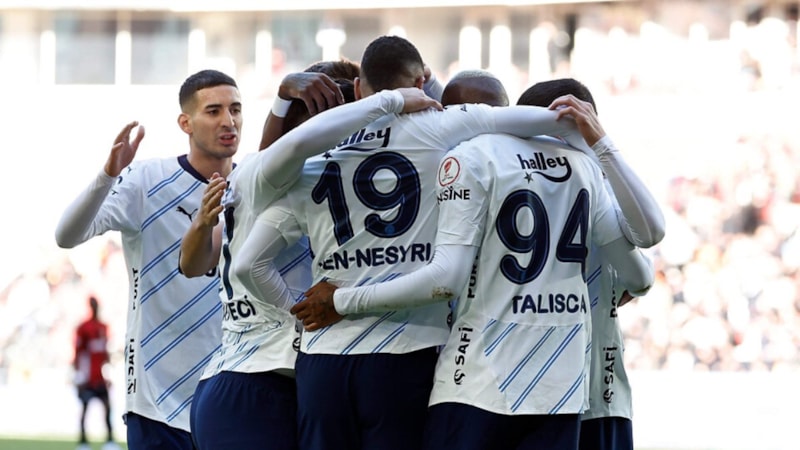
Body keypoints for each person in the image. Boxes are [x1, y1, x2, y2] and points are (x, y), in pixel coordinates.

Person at [233, 35, 590, 450]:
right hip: (407, 350)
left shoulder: (315, 155)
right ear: (420, 84)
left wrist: (299, 315)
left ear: (358, 90)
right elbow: (554, 121)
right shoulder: (444, 128)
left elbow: (248, 265)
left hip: (325, 356)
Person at [291, 74, 655, 449]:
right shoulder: (584, 169)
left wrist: (342, 300)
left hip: (478, 381)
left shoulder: (468, 160)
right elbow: (642, 272)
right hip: (563, 389)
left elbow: (445, 280)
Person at [179, 62, 441, 449]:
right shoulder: (281, 174)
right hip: (256, 382)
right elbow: (233, 264)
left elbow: (192, 265)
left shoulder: (296, 179)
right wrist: (304, 318)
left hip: (258, 380)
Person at [55, 69, 240, 449]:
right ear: (185, 123)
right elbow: (67, 235)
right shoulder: (147, 179)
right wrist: (108, 174)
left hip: (231, 389)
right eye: (214, 110)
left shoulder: (253, 182)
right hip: (157, 398)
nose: (228, 121)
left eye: (235, 109)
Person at [520, 78, 666, 450]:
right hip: (546, 392)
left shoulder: (604, 183)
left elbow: (649, 239)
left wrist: (599, 145)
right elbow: (641, 274)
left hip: (585, 391)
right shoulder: (507, 182)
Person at [74, 296, 118, 450]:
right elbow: (78, 353)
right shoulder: (83, 328)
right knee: (85, 408)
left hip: (100, 377)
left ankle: (110, 440)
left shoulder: (103, 327)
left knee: (107, 408)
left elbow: (106, 354)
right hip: (87, 377)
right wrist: (79, 376)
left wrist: (109, 374)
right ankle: (83, 442)